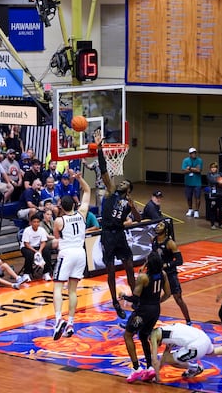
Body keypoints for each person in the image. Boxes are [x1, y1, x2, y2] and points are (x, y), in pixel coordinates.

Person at [96, 132, 140, 319]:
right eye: (121, 181)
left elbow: (138, 219)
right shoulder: (111, 192)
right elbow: (104, 170)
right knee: (111, 271)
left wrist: (133, 208)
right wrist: (99, 150)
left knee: (130, 266)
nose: (121, 183)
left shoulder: (128, 201)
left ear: (128, 189)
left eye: (125, 182)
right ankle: (115, 301)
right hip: (107, 234)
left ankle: (136, 298)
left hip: (120, 234)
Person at [51, 173, 91, 340]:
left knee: (58, 287)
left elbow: (56, 239)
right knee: (73, 290)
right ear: (74, 205)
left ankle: (58, 319)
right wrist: (80, 179)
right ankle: (71, 323)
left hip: (67, 253)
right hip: (81, 253)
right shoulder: (82, 213)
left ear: (61, 206)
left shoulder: (59, 221)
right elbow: (88, 191)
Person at [123, 252, 171, 382]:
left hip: (143, 311)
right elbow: (168, 293)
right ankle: (150, 367)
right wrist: (157, 302)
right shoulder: (163, 274)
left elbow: (135, 298)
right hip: (155, 310)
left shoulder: (143, 277)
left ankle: (136, 367)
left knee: (127, 335)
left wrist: (123, 296)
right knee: (144, 335)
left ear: (148, 263)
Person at [147, 323, 222, 382]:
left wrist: (157, 378)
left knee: (168, 359)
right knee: (213, 351)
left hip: (196, 346)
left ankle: (195, 368)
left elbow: (156, 361)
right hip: (203, 337)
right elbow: (167, 350)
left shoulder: (154, 336)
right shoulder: (165, 328)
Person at [153, 220, 191, 325]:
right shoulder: (154, 240)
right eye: (158, 224)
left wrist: (167, 265)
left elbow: (179, 261)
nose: (158, 226)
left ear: (166, 230)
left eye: (161, 225)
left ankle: (188, 321)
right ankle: (150, 318)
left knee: (178, 298)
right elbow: (152, 256)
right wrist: (145, 265)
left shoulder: (170, 243)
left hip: (170, 274)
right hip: (158, 273)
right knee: (152, 297)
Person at [20, 213, 53, 282]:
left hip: (38, 247)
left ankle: (46, 272)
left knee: (47, 252)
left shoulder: (41, 230)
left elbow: (43, 242)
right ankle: (26, 273)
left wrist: (40, 251)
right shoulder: (27, 230)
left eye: (38, 222)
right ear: (31, 223)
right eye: (34, 222)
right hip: (27, 247)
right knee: (30, 254)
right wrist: (35, 251)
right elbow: (26, 244)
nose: (36, 223)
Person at [182, 147, 203, 218]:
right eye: (192, 153)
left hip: (197, 182)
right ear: (190, 154)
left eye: (194, 153)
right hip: (188, 182)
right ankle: (190, 209)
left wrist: (190, 168)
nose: (194, 154)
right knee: (189, 197)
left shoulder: (199, 160)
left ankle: (196, 211)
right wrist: (194, 169)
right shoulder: (185, 160)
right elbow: (184, 171)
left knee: (198, 197)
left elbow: (199, 170)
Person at [206, 162, 222, 229]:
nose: (213, 169)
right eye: (212, 167)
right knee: (213, 210)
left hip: (220, 194)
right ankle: (212, 224)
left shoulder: (220, 174)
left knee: (220, 209)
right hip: (212, 195)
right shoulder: (209, 175)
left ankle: (220, 223)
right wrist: (220, 181)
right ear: (210, 169)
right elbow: (212, 180)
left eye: (215, 167)